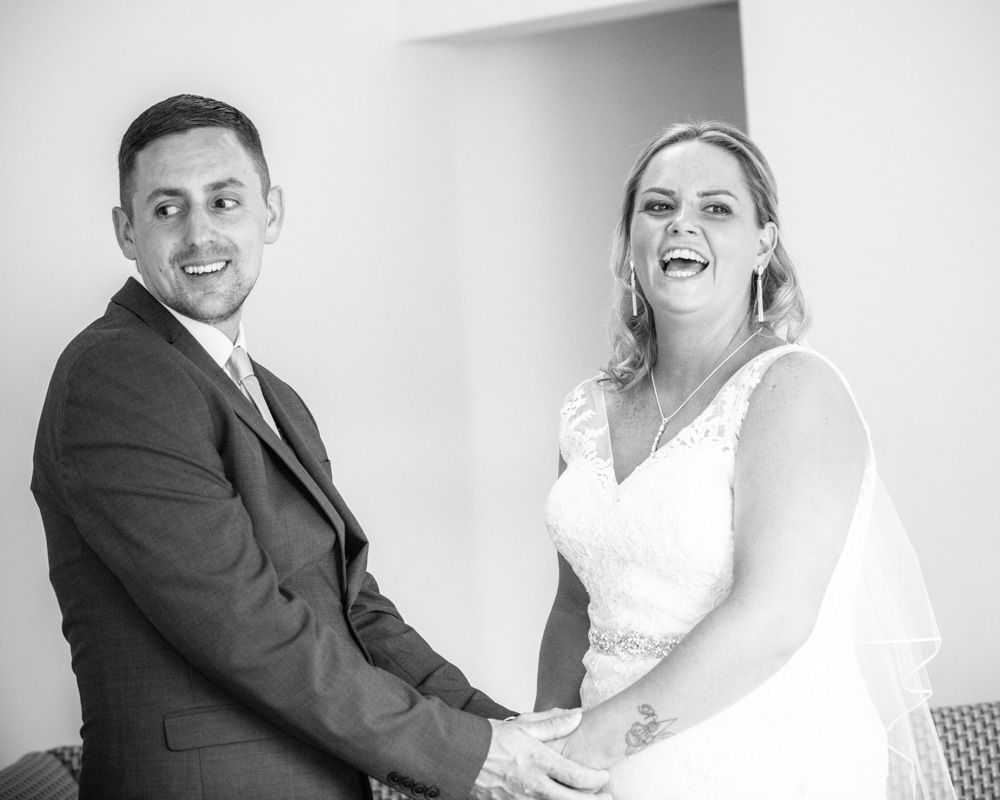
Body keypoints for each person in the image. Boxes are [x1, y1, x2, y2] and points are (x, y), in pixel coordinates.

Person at [31, 94, 610, 800]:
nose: (199, 234)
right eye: (166, 208)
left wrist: (510, 736)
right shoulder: (117, 375)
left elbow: (353, 609)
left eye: (224, 200)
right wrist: (473, 756)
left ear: (270, 212)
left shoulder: (274, 397)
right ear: (126, 231)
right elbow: (245, 626)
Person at [536, 121, 956, 799]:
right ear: (631, 243)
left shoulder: (795, 390)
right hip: (599, 777)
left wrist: (583, 748)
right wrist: (546, 747)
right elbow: (573, 605)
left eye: (716, 208)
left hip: (763, 764)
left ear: (763, 245)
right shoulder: (587, 409)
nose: (682, 225)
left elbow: (772, 620)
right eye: (659, 206)